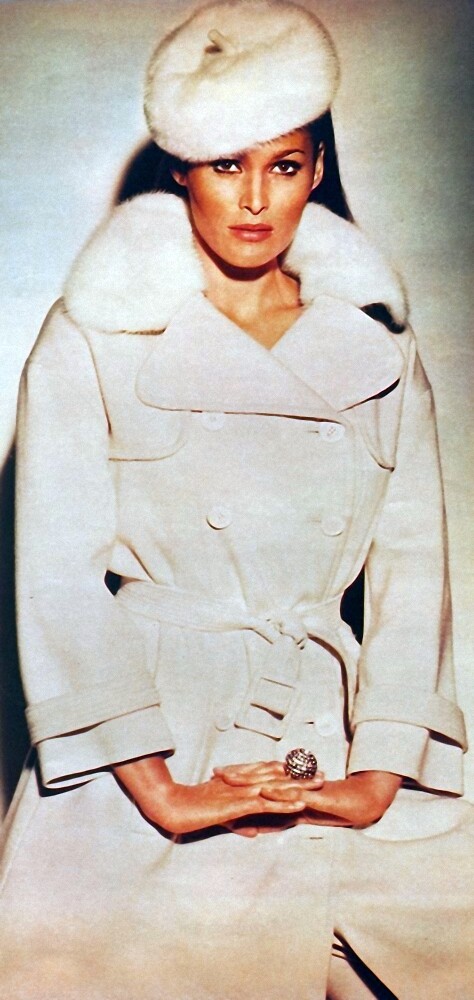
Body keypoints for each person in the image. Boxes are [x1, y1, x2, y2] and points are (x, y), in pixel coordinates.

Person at [1, 2, 473, 998]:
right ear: (182, 169)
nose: (255, 198)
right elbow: (55, 573)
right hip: (156, 744)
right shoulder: (95, 335)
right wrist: (163, 789)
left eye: (285, 165)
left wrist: (383, 767)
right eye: (227, 164)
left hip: (333, 736)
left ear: (317, 170)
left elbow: (415, 570)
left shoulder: (380, 345)